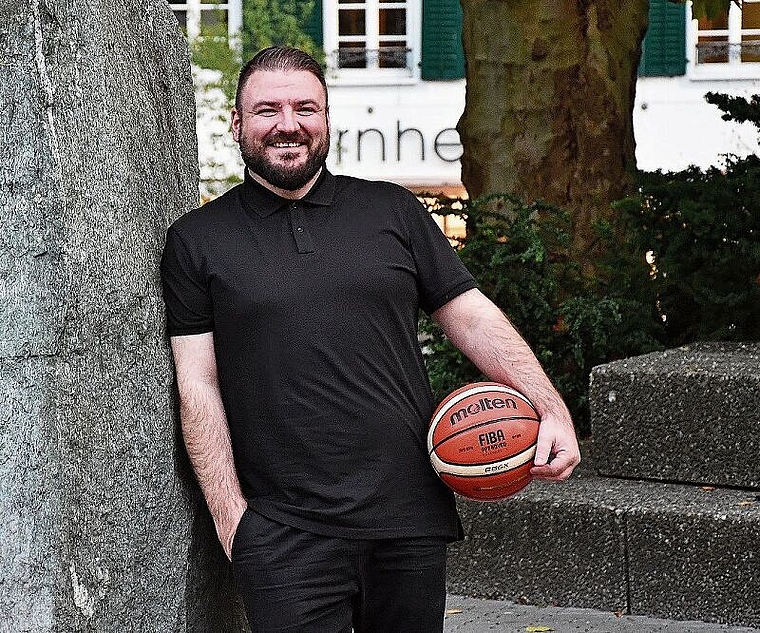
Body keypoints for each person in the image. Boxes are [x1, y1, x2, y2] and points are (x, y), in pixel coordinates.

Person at [161, 46, 580, 632]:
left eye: (305, 107)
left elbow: (473, 319)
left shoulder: (393, 211)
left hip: (407, 518)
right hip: (285, 534)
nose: (288, 124)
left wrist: (551, 407)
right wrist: (235, 522)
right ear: (237, 124)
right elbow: (198, 388)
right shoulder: (197, 240)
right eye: (266, 110)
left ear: (327, 119)